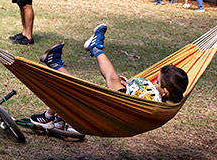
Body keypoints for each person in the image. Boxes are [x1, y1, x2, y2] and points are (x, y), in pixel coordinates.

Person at [30, 24, 189, 130]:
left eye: (158, 82)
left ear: (165, 91)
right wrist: (132, 89)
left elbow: (146, 104)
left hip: (115, 114)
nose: (154, 83)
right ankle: (93, 48)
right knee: (112, 79)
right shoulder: (171, 102)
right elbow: (147, 99)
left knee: (75, 90)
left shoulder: (156, 106)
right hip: (125, 109)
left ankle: (48, 116)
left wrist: (133, 93)